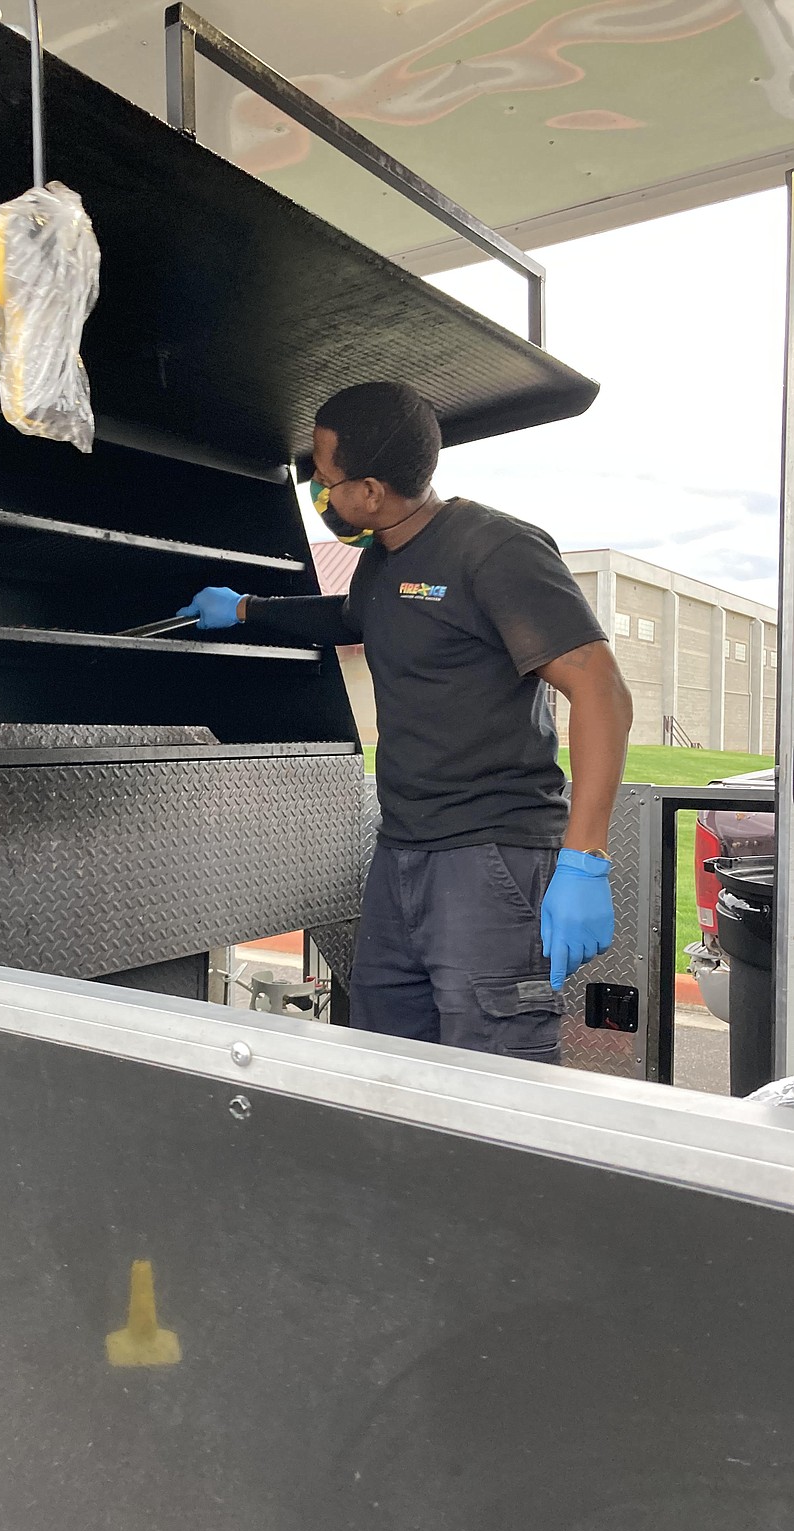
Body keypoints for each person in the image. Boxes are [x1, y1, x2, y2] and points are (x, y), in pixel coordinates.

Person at [177, 381, 633, 1064]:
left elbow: (601, 691)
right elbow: (352, 616)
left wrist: (585, 858)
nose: (321, 496)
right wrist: (246, 609)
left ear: (370, 490)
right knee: (393, 1064)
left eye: (326, 483)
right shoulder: (381, 560)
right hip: (403, 854)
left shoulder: (495, 549)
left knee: (493, 1078)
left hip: (490, 860)